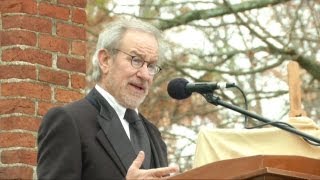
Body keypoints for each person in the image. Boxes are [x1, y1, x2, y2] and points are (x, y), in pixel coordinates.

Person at [37, 18, 179, 179]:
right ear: (105, 60)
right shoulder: (69, 121)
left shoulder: (153, 133)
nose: (145, 75)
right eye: (136, 60)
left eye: (151, 66)